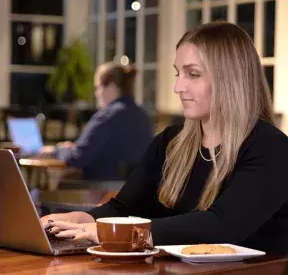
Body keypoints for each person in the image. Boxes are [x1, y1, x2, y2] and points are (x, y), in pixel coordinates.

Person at [41, 21, 288, 254]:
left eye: (192, 74)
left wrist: (116, 233)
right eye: (177, 73)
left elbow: (222, 226)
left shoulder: (271, 148)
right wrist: (80, 219)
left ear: (230, 79)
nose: (178, 87)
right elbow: (123, 208)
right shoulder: (170, 142)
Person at [40, 62, 153, 180]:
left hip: (104, 189)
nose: (96, 94)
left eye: (98, 87)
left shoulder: (107, 117)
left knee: (57, 180)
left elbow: (79, 157)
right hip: (134, 190)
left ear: (111, 86)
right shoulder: (143, 116)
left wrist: (56, 151)